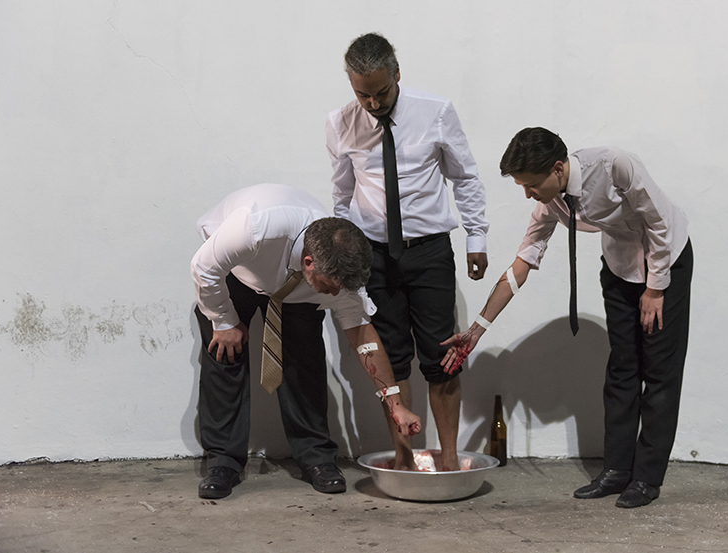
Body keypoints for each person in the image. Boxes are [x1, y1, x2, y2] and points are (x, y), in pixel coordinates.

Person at [442, 128, 693, 508]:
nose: (528, 194)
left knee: (659, 371)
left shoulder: (614, 165)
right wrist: (477, 329)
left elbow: (659, 222)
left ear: (557, 168)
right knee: (622, 369)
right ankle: (617, 470)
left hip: (665, 262)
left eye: (531, 185)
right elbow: (522, 264)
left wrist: (655, 289)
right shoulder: (551, 202)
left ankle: (646, 478)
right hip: (620, 265)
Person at [191, 183, 421, 499]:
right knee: (225, 356)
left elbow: (364, 338)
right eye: (330, 287)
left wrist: (396, 404)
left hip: (295, 291)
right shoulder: (255, 227)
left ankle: (316, 458)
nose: (334, 295)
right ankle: (222, 462)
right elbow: (204, 267)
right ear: (309, 263)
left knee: (305, 364)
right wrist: (223, 321)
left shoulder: (341, 280)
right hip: (239, 272)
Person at [326, 32, 490, 472]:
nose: (373, 103)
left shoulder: (436, 111)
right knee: (391, 357)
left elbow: (465, 177)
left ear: (397, 73)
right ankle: (402, 457)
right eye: (363, 95)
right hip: (372, 255)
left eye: (381, 92)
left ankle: (450, 458)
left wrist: (476, 237)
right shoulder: (340, 123)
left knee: (442, 358)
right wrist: (345, 255)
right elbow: (342, 196)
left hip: (429, 251)